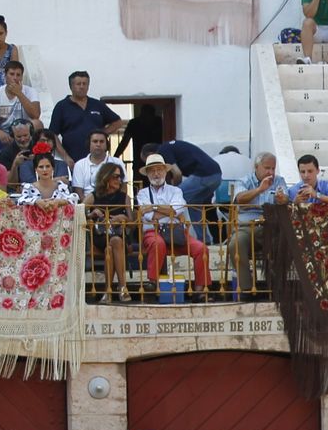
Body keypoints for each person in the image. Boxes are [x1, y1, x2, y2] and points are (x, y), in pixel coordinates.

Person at [137, 153, 208, 295]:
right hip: (154, 232)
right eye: (152, 170)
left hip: (176, 233)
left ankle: (200, 290)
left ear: (165, 171)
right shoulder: (142, 194)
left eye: (159, 170)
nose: (156, 174)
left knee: (201, 248)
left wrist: (154, 207)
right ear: (147, 174)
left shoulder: (176, 190)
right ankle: (153, 283)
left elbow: (176, 210)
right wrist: (168, 211)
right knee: (158, 244)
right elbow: (150, 215)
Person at [230, 152, 289, 297]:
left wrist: (282, 200)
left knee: (286, 241)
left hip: (271, 227)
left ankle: (277, 286)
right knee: (235, 244)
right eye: (267, 168)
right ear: (256, 167)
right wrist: (260, 190)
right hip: (247, 227)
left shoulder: (279, 181)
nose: (271, 172)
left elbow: (286, 198)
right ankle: (246, 289)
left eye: (273, 168)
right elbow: (239, 199)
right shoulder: (243, 181)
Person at [47, 70, 121, 166]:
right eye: (78, 84)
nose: (82, 87)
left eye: (85, 84)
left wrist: (101, 134)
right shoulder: (62, 106)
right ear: (71, 86)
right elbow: (52, 135)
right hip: (73, 160)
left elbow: (118, 122)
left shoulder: (97, 104)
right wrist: (65, 157)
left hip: (98, 160)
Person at [86, 161, 133, 302]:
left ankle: (108, 291)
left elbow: (132, 224)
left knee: (111, 246)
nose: (119, 180)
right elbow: (78, 210)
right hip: (100, 235)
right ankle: (122, 288)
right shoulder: (93, 196)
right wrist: (91, 214)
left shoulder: (124, 197)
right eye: (115, 177)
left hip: (119, 234)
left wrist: (123, 217)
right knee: (112, 243)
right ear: (106, 177)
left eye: (120, 177)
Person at [0, 61, 40, 149]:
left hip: (24, 131)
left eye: (18, 75)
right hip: (3, 133)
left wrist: (19, 93)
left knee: (37, 123)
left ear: (22, 77)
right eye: (12, 74)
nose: (15, 78)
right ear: (5, 76)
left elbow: (36, 115)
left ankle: (38, 152)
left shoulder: (30, 91)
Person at [0, 17, 24, 104]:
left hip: (8, 84)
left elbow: (15, 69)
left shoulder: (12, 49)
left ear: (6, 33)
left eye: (1, 33)